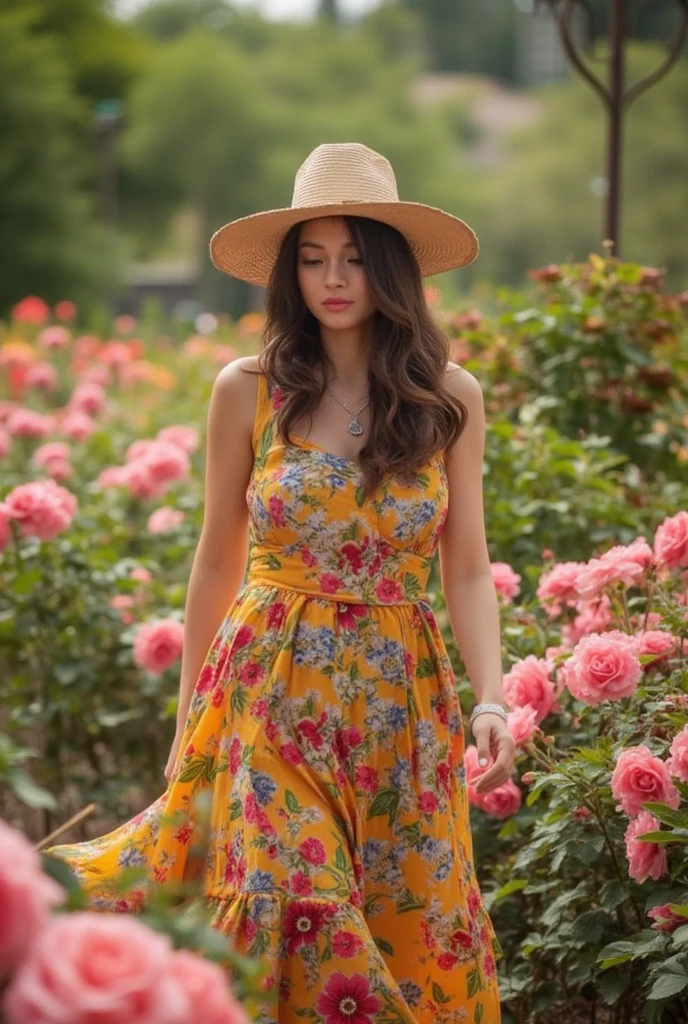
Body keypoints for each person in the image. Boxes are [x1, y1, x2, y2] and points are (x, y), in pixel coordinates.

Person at [48, 142, 515, 1023]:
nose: (331, 279)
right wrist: (189, 719)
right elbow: (218, 558)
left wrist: (491, 699)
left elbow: (465, 564)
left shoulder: (450, 396)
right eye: (311, 258)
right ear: (289, 273)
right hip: (269, 694)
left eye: (352, 257)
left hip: (398, 706)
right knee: (291, 906)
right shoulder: (248, 389)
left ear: (390, 267)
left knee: (408, 931)